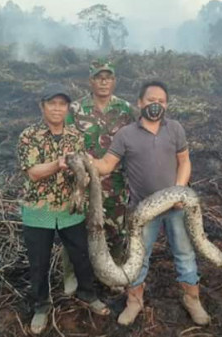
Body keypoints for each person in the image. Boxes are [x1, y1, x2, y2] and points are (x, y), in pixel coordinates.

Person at [92, 81, 210, 326]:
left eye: (161, 101)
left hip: (177, 208)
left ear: (166, 104)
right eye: (150, 100)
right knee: (138, 256)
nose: (155, 104)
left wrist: (179, 190)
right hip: (142, 211)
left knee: (185, 253)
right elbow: (106, 165)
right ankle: (134, 301)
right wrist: (84, 162)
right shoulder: (126, 134)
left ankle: (192, 299)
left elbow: (185, 161)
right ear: (139, 102)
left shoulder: (175, 129)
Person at [17, 84, 110, 334]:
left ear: (67, 108)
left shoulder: (75, 136)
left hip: (71, 209)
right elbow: (33, 173)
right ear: (42, 106)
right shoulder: (29, 135)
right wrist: (59, 164)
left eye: (62, 104)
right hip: (39, 211)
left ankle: (87, 294)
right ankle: (41, 307)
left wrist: (84, 175)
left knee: (81, 254)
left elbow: (81, 168)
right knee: (39, 262)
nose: (57, 108)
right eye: (52, 104)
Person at [62, 59, 135, 295]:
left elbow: (136, 145)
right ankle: (72, 275)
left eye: (108, 77)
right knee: (75, 231)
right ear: (90, 81)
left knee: (115, 231)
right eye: (98, 77)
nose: (104, 81)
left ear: (114, 81)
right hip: (82, 184)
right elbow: (66, 143)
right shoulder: (75, 110)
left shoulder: (126, 110)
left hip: (115, 185)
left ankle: (111, 275)